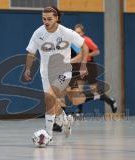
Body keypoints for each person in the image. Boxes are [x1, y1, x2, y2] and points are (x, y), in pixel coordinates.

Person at [23, 6, 89, 142]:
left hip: (64, 71)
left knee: (49, 97)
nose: (46, 21)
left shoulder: (66, 32)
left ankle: (48, 135)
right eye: (43, 19)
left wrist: (83, 65)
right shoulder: (38, 33)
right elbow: (30, 52)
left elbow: (84, 46)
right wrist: (28, 69)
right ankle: (65, 120)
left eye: (49, 19)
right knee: (53, 103)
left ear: (57, 18)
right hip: (45, 73)